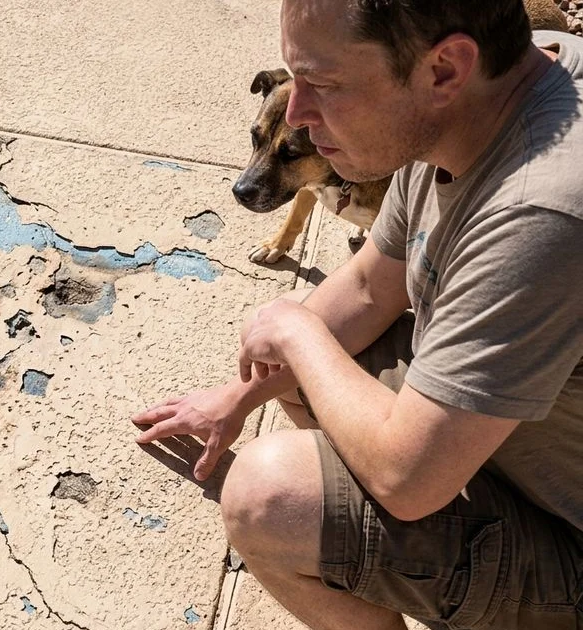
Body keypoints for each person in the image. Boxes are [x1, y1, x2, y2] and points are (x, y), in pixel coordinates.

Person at [132, 1, 583, 628]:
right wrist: (235, 399)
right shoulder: (492, 89)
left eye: (323, 83)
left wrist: (298, 332)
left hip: (567, 537)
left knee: (269, 497)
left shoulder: (541, 215)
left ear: (444, 68)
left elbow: (408, 481)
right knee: (290, 364)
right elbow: (372, 285)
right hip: (517, 445)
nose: (296, 112)